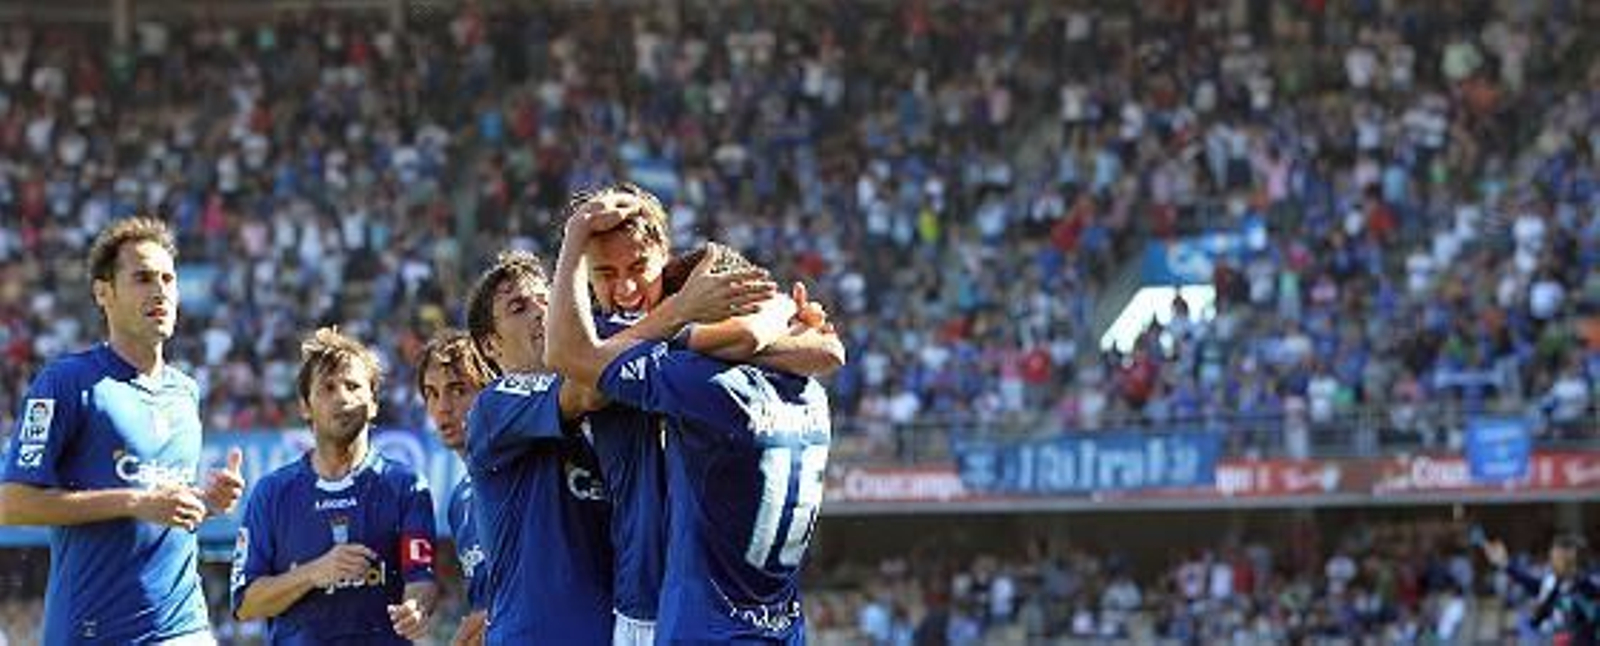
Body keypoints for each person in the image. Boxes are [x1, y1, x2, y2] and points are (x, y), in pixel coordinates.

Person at [547, 202, 845, 643]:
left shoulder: (695, 376)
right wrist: (778, 312)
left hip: (691, 619)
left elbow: (573, 355)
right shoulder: (809, 391)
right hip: (771, 621)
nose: (626, 287)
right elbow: (825, 351)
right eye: (606, 274)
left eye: (639, 268)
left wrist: (698, 318)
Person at [462, 248, 767, 643]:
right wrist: (678, 311)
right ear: (490, 345)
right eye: (519, 307)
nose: (542, 312)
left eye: (547, 299)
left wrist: (781, 322)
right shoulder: (495, 404)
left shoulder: (619, 399)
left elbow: (740, 341)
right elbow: (588, 387)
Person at [0, 216, 244, 645]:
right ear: (103, 292)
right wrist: (135, 501)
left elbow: (161, 504)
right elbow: (12, 504)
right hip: (96, 631)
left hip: (184, 625)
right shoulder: (65, 383)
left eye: (168, 278)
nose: (160, 291)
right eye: (142, 278)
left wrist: (207, 503)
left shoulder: (186, 392)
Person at [231, 327, 438, 644]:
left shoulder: (406, 486)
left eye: (353, 386)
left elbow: (421, 579)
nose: (341, 397)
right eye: (327, 387)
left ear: (373, 403)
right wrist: (314, 573)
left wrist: (415, 608)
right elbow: (246, 603)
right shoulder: (271, 493)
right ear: (304, 407)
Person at [415, 330, 495, 645]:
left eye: (458, 390)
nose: (442, 408)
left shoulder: (529, 474)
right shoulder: (459, 502)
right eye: (431, 394)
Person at [1483, 532, 1600, 644]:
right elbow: (1532, 585)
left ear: (1570, 558)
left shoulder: (1587, 586)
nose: (1552, 562)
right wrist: (1505, 564)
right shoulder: (1553, 584)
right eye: (1552, 557)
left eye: (1557, 558)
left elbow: (1581, 612)